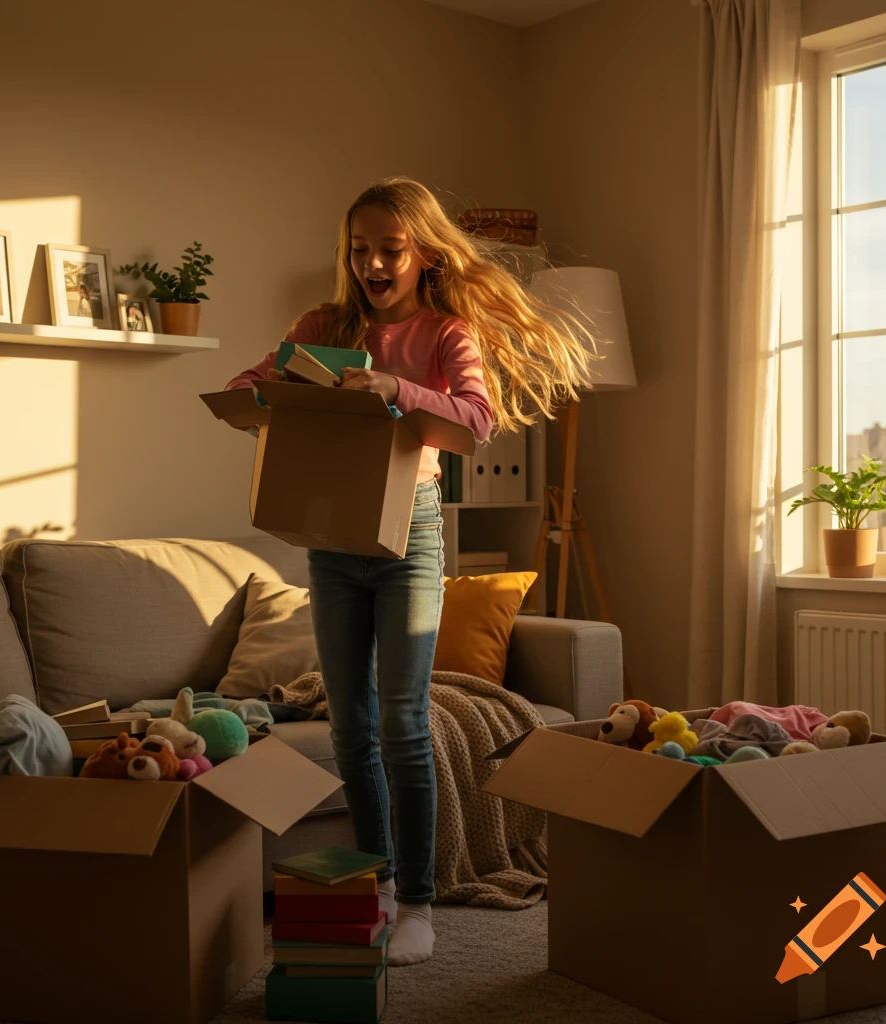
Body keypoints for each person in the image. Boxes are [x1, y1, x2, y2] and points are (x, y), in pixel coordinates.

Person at [223, 177, 593, 967]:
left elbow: (477, 418)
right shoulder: (323, 325)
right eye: (359, 250)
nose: (372, 263)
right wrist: (275, 388)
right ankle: (380, 887)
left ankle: (420, 901)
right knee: (351, 726)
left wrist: (393, 387)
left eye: (389, 249)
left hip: (412, 535)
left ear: (422, 252)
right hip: (333, 539)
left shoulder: (443, 331)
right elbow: (244, 389)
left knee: (402, 722)